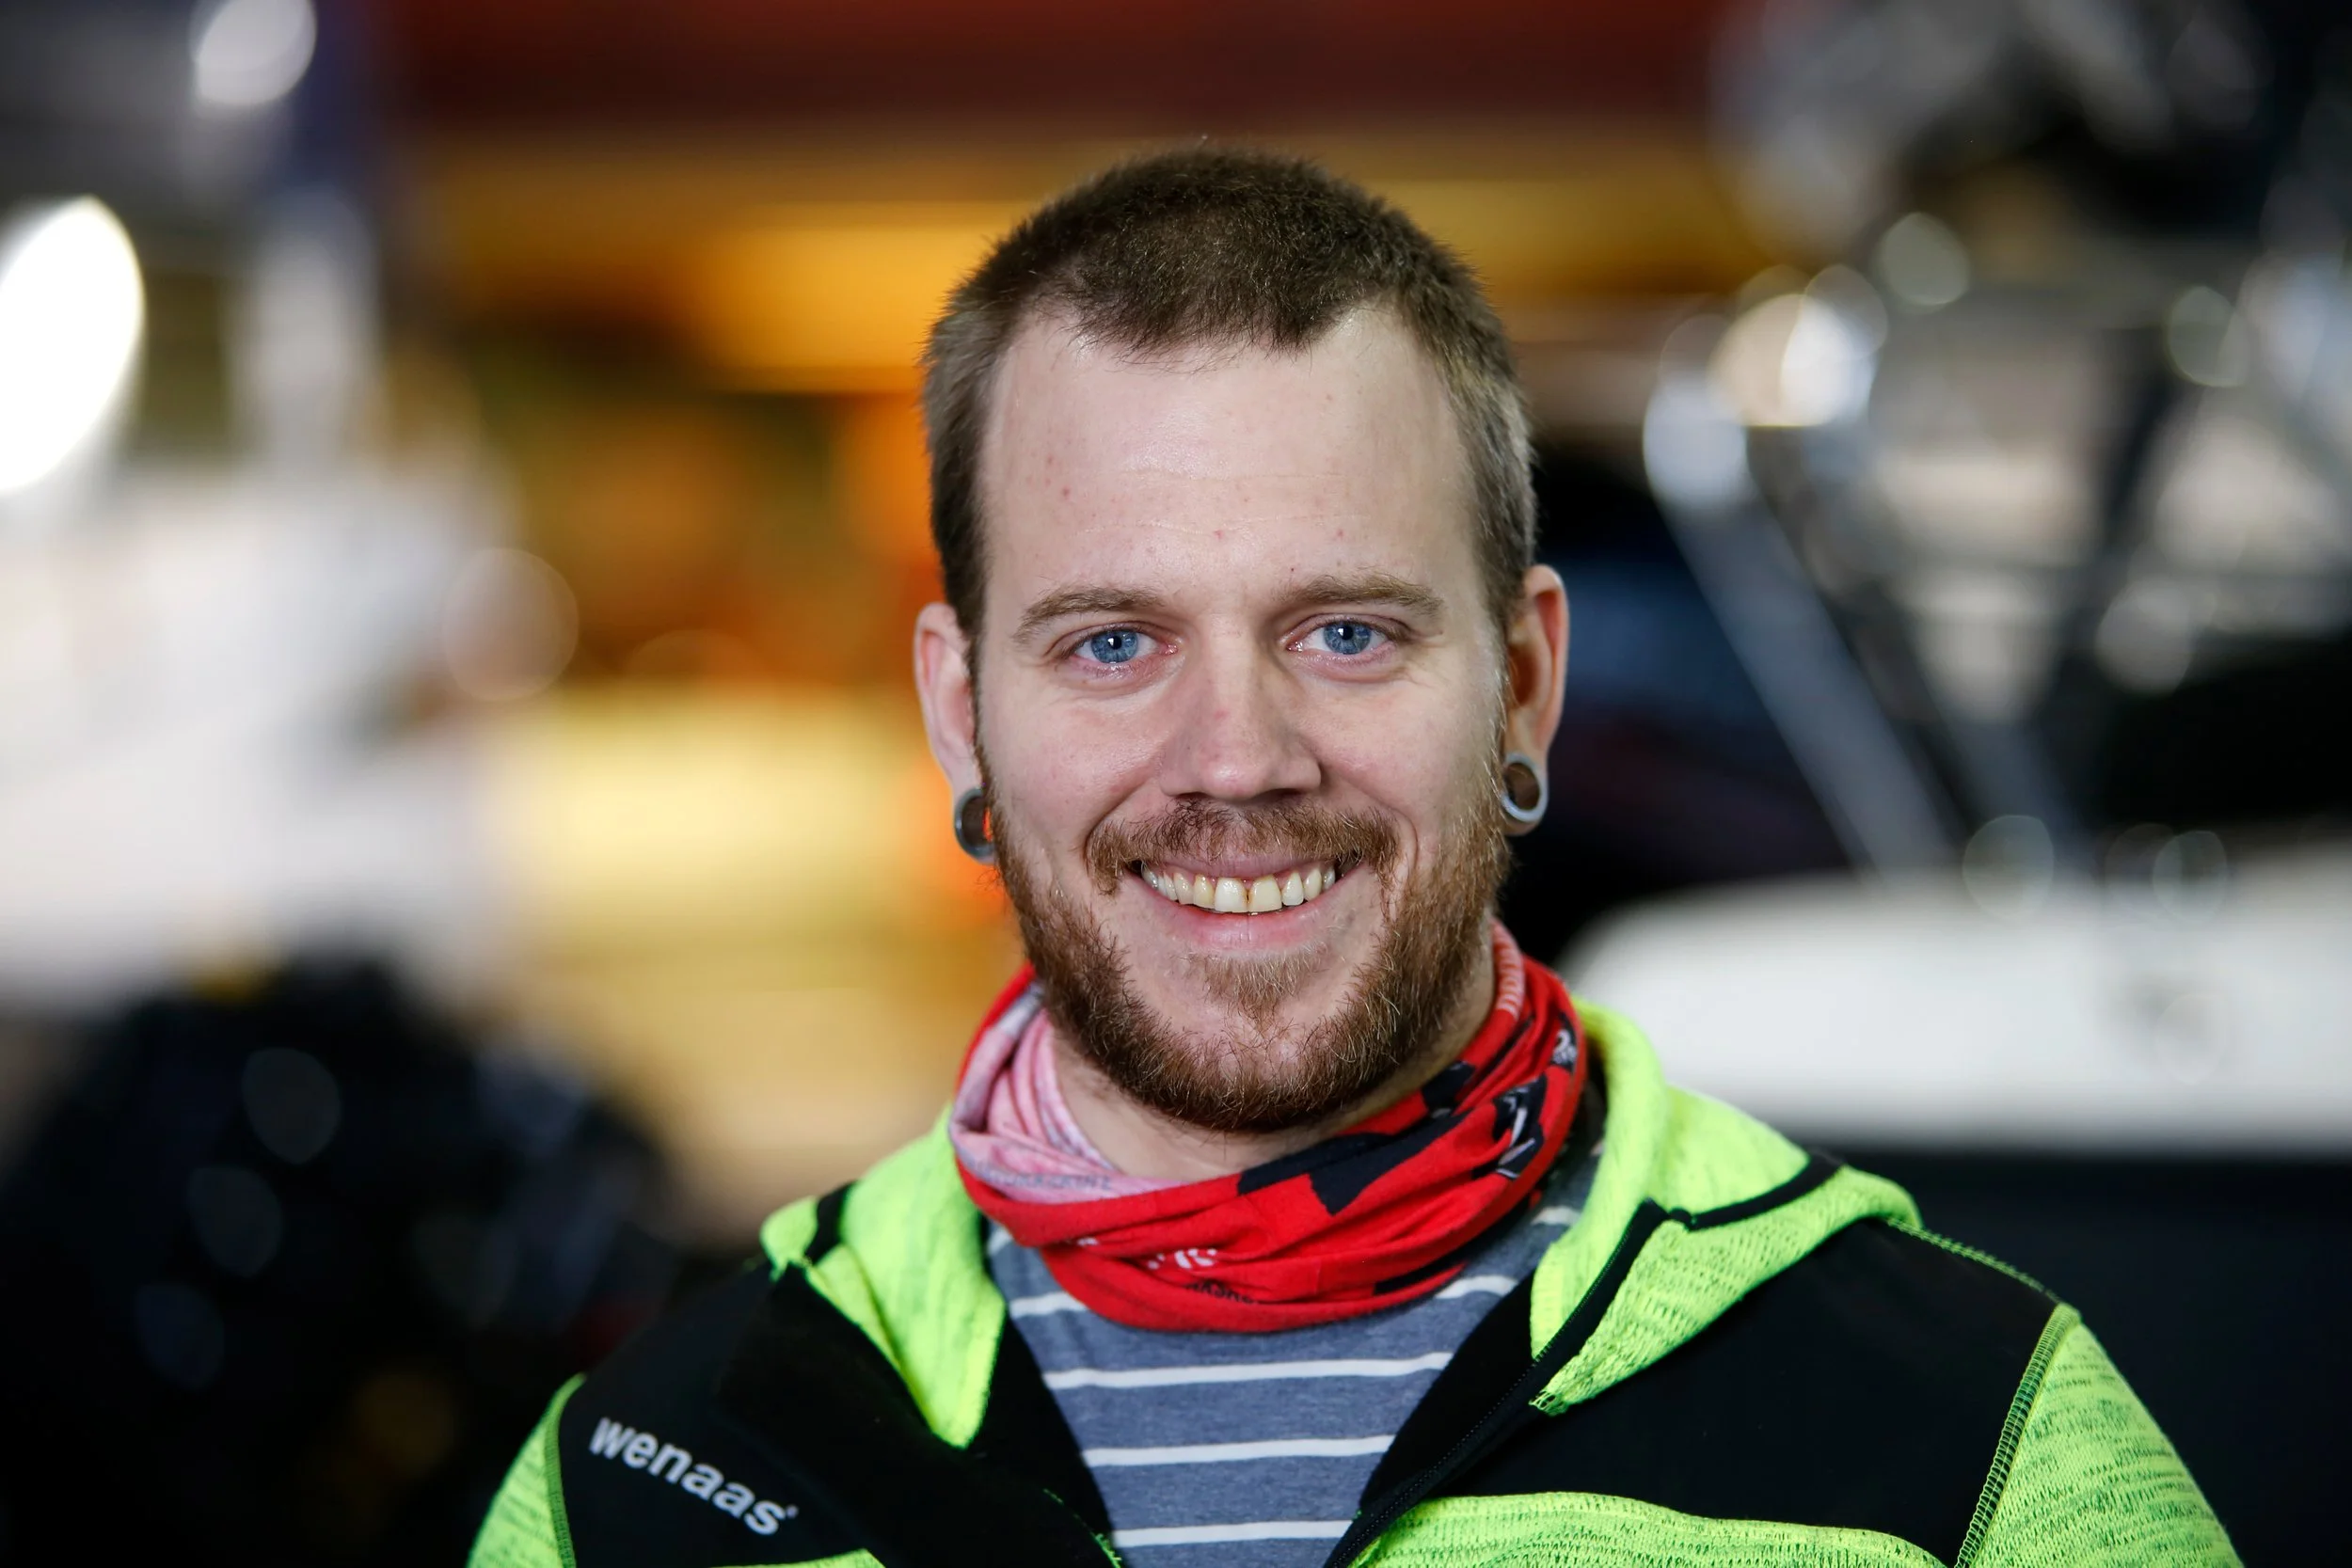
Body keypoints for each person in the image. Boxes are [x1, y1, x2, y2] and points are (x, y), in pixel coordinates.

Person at [469, 150, 2233, 1568]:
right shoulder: (639, 1484)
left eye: (1347, 633)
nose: (1238, 758)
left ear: (1524, 684)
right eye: (1112, 642)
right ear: (960, 713)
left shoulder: (1973, 1448)